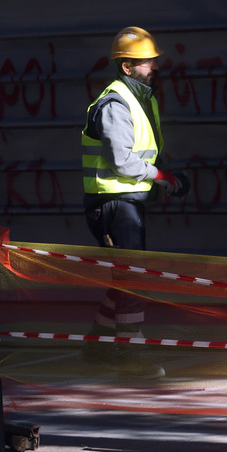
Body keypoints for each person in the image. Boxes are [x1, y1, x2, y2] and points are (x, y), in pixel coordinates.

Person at [80, 26, 188, 377]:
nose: (154, 66)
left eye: (154, 60)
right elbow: (121, 161)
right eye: (146, 62)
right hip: (113, 205)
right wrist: (162, 178)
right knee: (135, 279)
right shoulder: (116, 103)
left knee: (124, 277)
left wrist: (160, 179)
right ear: (127, 67)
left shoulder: (140, 99)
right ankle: (129, 352)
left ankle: (97, 345)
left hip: (123, 201)